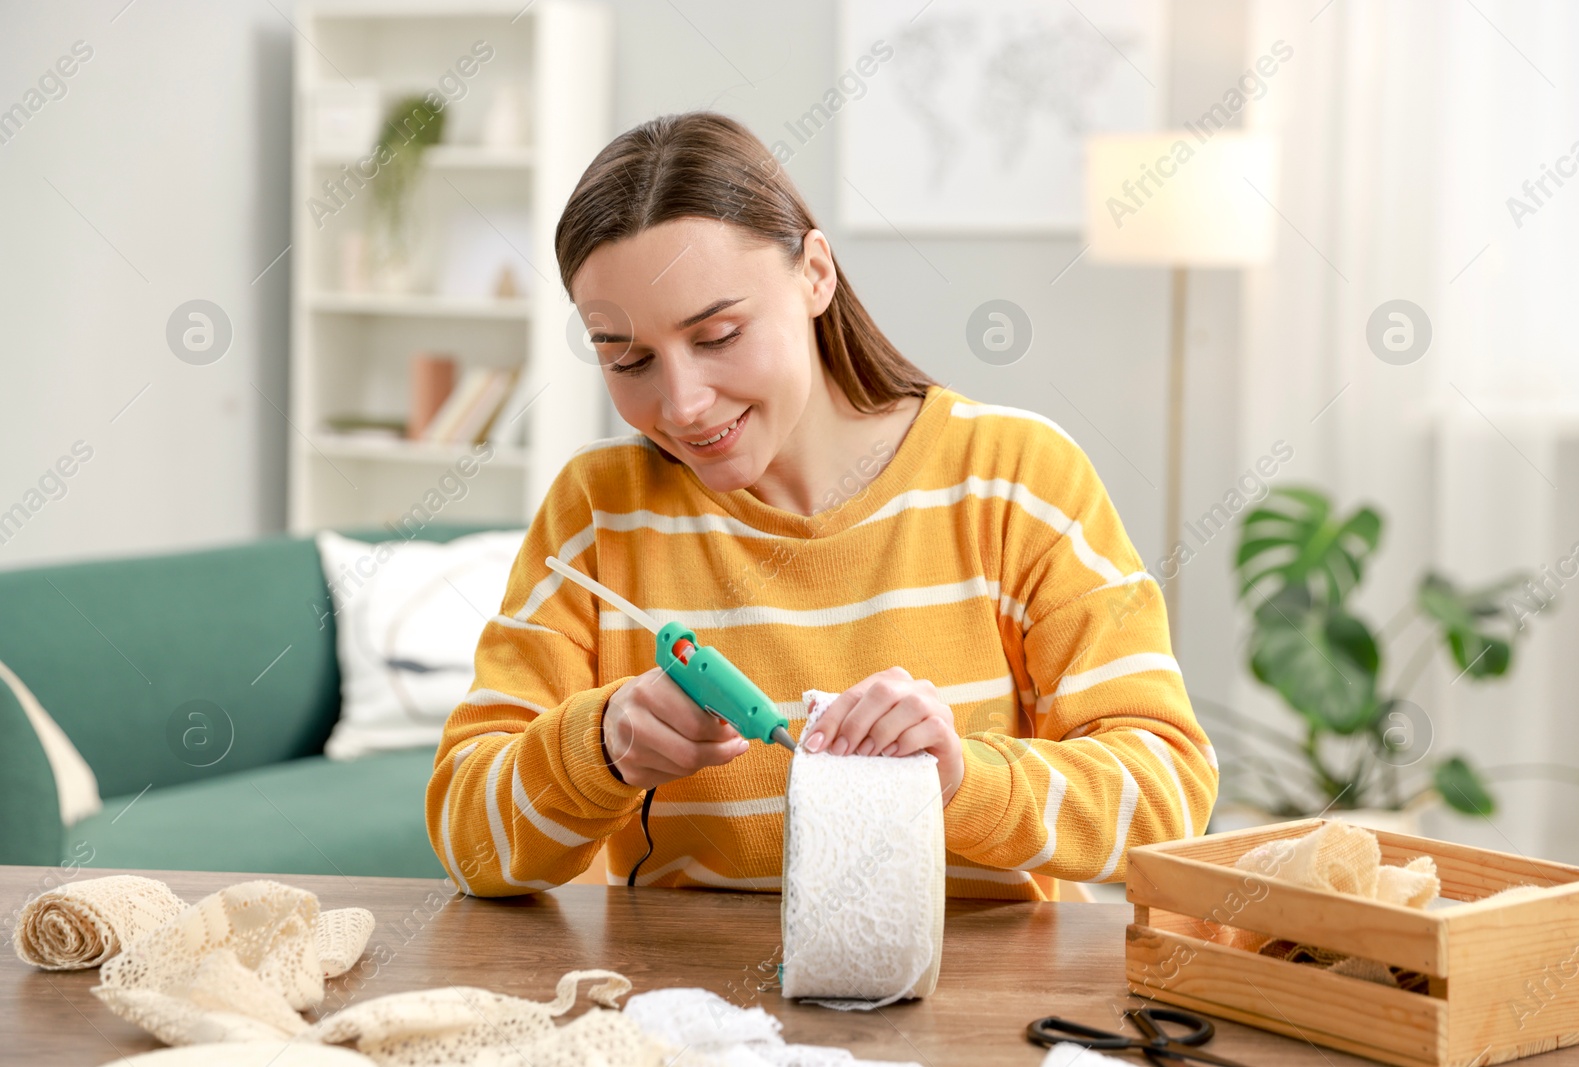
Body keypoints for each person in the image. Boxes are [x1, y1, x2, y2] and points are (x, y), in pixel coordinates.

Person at [425, 111, 1217, 900]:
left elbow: (1168, 796)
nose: (684, 404)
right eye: (628, 360)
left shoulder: (1015, 479)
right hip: (689, 1008)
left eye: (719, 334)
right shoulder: (597, 513)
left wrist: (960, 780)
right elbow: (468, 842)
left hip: (979, 1002)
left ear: (815, 274)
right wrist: (595, 749)